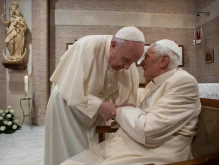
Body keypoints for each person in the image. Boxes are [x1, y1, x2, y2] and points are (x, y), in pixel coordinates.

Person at [60, 39, 201, 165]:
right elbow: (138, 115)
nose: (141, 63)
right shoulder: (154, 84)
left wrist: (119, 110)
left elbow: (148, 130)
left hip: (156, 153)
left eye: (146, 57)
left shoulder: (183, 82)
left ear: (164, 60)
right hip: (130, 147)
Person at [44, 26, 145, 165]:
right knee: (69, 153)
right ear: (113, 46)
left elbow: (125, 95)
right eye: (125, 60)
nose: (127, 67)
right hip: (67, 110)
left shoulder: (126, 59)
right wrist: (99, 105)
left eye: (132, 62)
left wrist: (122, 107)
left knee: (92, 153)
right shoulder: (87, 46)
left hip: (94, 113)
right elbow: (68, 88)